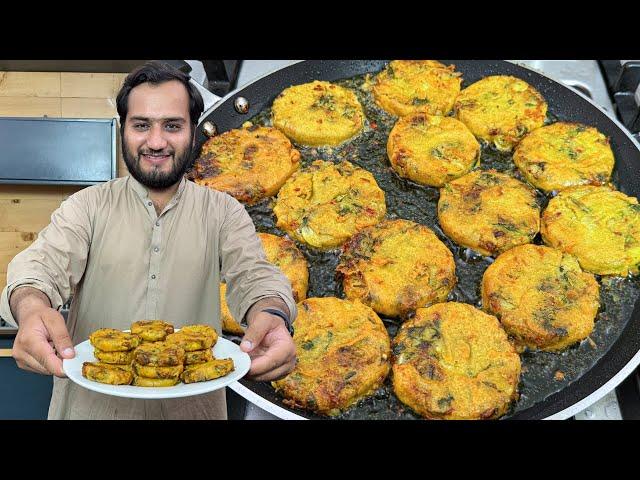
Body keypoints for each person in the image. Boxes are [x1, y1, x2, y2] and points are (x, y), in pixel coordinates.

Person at [0, 61, 297, 420]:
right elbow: (40, 267)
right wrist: (31, 308)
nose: (156, 142)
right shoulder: (86, 206)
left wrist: (272, 314)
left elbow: (255, 276)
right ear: (124, 129)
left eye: (172, 126)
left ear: (192, 131)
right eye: (142, 125)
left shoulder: (224, 212)